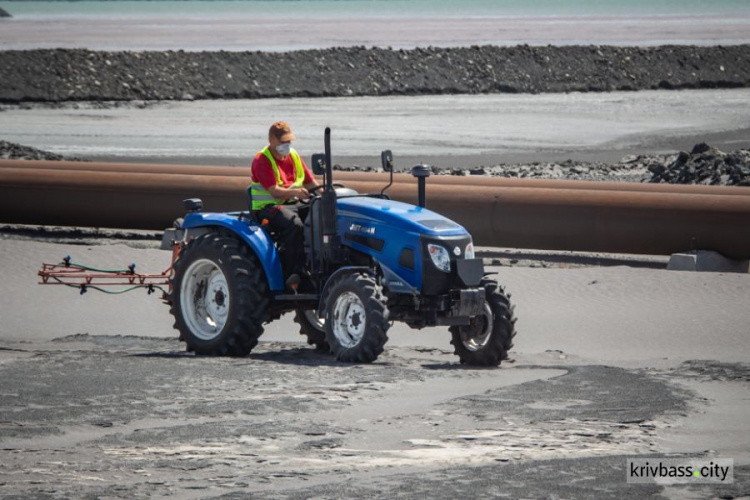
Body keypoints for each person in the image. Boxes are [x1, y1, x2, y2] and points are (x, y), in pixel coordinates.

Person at [250, 121, 319, 288]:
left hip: (293, 203)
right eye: (283, 141)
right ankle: (294, 272)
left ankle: (317, 263)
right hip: (268, 207)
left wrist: (325, 196)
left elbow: (310, 183)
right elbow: (274, 191)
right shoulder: (262, 159)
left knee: (319, 214)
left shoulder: (294, 156)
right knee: (295, 224)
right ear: (272, 139)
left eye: (289, 141)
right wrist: (295, 192)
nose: (287, 145)